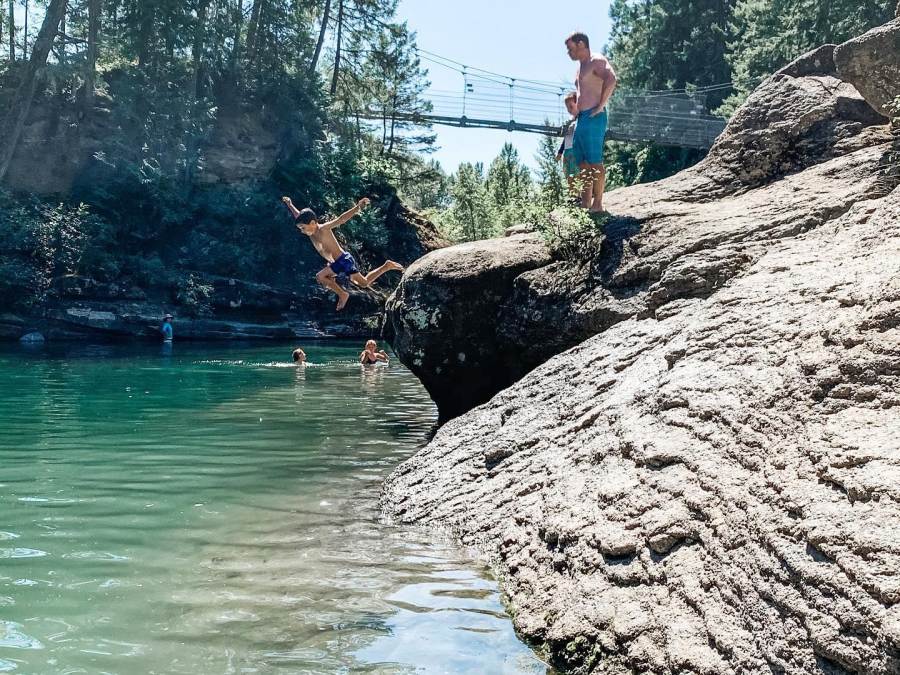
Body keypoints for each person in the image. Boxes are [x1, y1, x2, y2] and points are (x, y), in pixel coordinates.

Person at [282, 196, 404, 311]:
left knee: (321, 277)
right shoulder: (310, 231)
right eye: (300, 229)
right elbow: (298, 215)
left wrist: (357, 207)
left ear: (313, 223)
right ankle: (386, 266)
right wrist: (290, 204)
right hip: (337, 262)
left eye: (303, 228)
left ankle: (343, 294)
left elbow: (341, 219)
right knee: (364, 283)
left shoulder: (324, 229)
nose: (302, 231)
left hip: (343, 260)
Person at [565, 31, 618, 213]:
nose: (568, 53)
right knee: (583, 162)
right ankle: (585, 203)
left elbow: (611, 79)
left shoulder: (597, 60)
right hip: (581, 119)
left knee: (595, 161)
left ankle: (598, 204)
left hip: (594, 116)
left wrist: (600, 106)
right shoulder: (580, 67)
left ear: (581, 44)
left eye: (570, 48)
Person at [556, 92, 580, 197]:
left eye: (571, 106)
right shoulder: (569, 123)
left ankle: (579, 195)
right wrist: (560, 152)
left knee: (577, 174)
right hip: (567, 151)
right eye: (567, 108)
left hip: (576, 151)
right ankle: (572, 196)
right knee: (568, 174)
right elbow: (566, 138)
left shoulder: (582, 120)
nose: (569, 110)